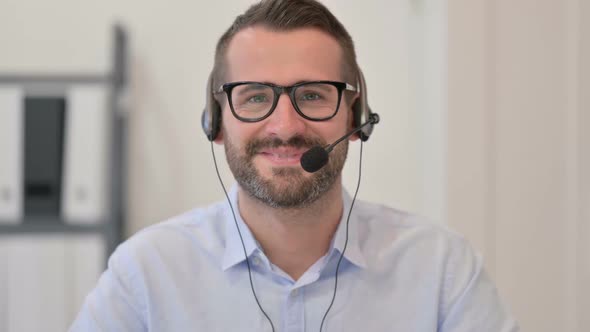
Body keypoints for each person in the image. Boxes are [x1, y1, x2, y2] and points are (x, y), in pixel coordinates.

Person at [70, 0, 518, 331]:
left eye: (312, 95)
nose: (284, 126)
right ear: (216, 122)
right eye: (255, 97)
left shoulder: (442, 271)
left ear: (356, 118)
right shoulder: (146, 275)